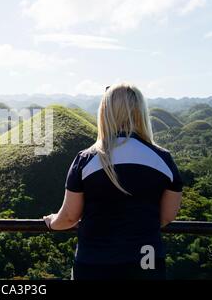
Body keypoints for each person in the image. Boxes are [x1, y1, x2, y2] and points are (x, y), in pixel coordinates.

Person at [43, 84, 183, 280]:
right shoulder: (163, 159)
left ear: (104, 113)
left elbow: (69, 217)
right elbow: (166, 216)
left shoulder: (87, 159)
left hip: (95, 263)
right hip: (147, 261)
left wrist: (51, 223)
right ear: (141, 112)